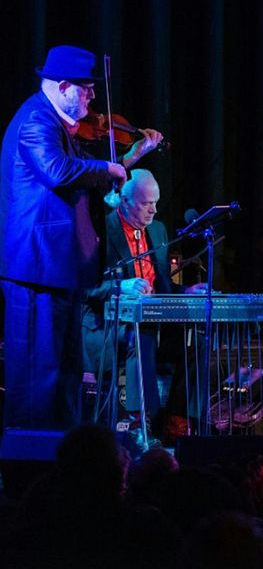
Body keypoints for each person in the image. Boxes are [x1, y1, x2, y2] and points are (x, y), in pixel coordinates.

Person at [0, 45, 129, 429]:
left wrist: (115, 170)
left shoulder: (56, 123)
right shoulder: (37, 120)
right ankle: (29, 473)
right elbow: (57, 171)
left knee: (65, 375)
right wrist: (108, 167)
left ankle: (61, 462)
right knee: (38, 379)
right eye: (86, 89)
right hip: (37, 269)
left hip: (57, 269)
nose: (92, 96)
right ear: (63, 86)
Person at [81, 169, 205, 442]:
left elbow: (161, 286)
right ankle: (140, 420)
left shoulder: (157, 230)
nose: (154, 210)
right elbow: (82, 287)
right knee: (142, 335)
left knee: (198, 337)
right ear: (124, 201)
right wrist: (119, 286)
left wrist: (186, 291)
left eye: (156, 202)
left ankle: (178, 418)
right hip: (106, 327)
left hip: (151, 324)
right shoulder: (101, 227)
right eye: (146, 203)